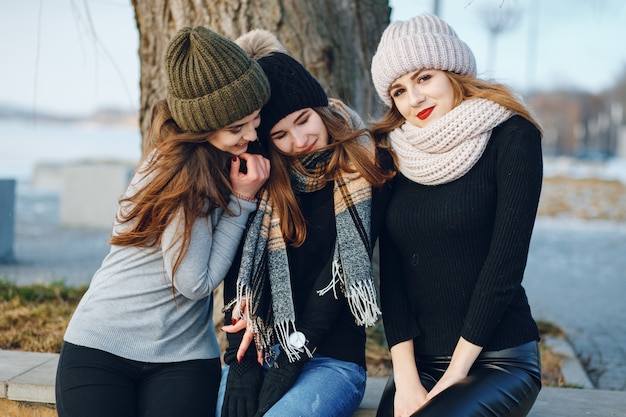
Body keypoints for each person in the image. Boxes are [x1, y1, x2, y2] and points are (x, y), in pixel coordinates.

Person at [55, 26, 271, 417]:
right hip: (100, 348)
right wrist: (241, 201)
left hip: (183, 356)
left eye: (255, 120)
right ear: (201, 127)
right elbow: (195, 283)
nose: (252, 135)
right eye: (237, 129)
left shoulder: (208, 156)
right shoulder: (182, 171)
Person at [369, 13, 544, 417]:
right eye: (398, 91)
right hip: (421, 364)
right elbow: (391, 272)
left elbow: (505, 265)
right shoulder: (391, 154)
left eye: (424, 77)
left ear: (452, 71)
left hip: (499, 357)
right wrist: (407, 380)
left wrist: (454, 376)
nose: (413, 99)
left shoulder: (513, 136)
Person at [217, 29, 395, 417]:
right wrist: (241, 365)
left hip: (333, 359)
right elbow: (240, 272)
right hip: (261, 349)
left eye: (303, 120)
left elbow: (337, 279)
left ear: (321, 109)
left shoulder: (366, 167)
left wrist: (292, 358)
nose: (299, 140)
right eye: (280, 134)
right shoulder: (265, 181)